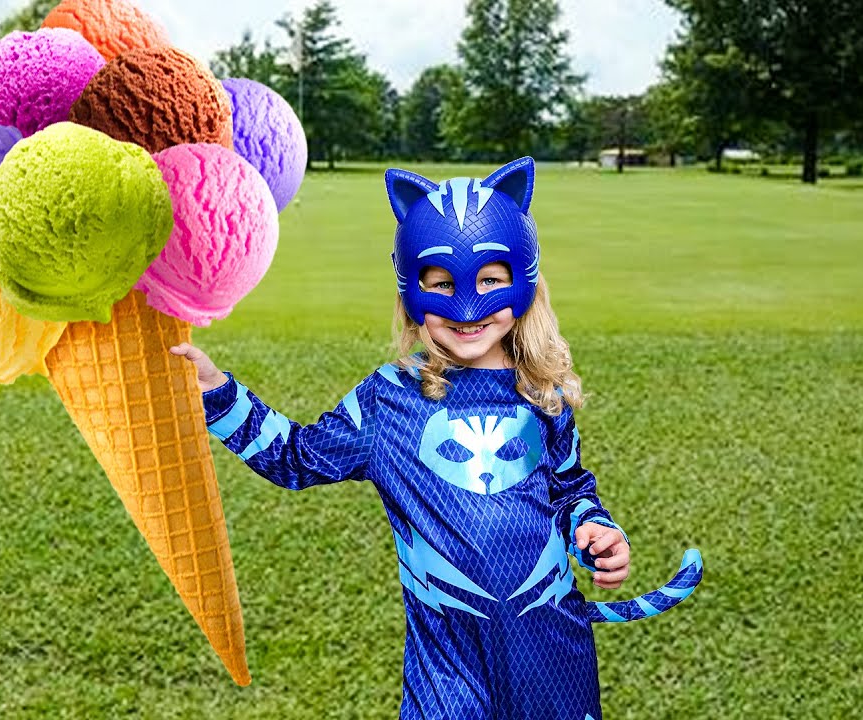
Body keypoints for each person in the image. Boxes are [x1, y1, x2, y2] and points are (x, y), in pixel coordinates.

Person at [171, 157, 697, 719]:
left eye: (491, 279)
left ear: (524, 281)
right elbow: (297, 458)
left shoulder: (544, 391)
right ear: (412, 291)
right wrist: (219, 393)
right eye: (442, 284)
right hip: (447, 662)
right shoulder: (388, 399)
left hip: (551, 649)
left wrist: (594, 527)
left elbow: (568, 489)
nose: (467, 307)